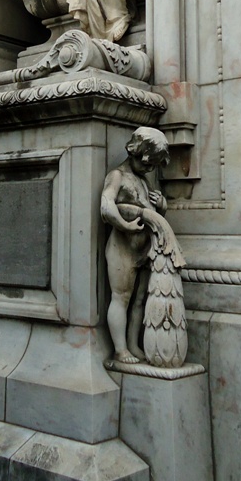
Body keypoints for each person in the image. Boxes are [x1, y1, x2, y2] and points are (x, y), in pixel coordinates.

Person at [100, 127, 171, 364]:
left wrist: (162, 205)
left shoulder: (143, 179)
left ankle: (133, 344)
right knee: (121, 297)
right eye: (148, 163)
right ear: (135, 152)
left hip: (144, 250)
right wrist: (125, 225)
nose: (150, 169)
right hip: (123, 247)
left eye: (153, 166)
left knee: (139, 300)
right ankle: (120, 350)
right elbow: (106, 206)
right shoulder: (117, 175)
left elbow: (152, 213)